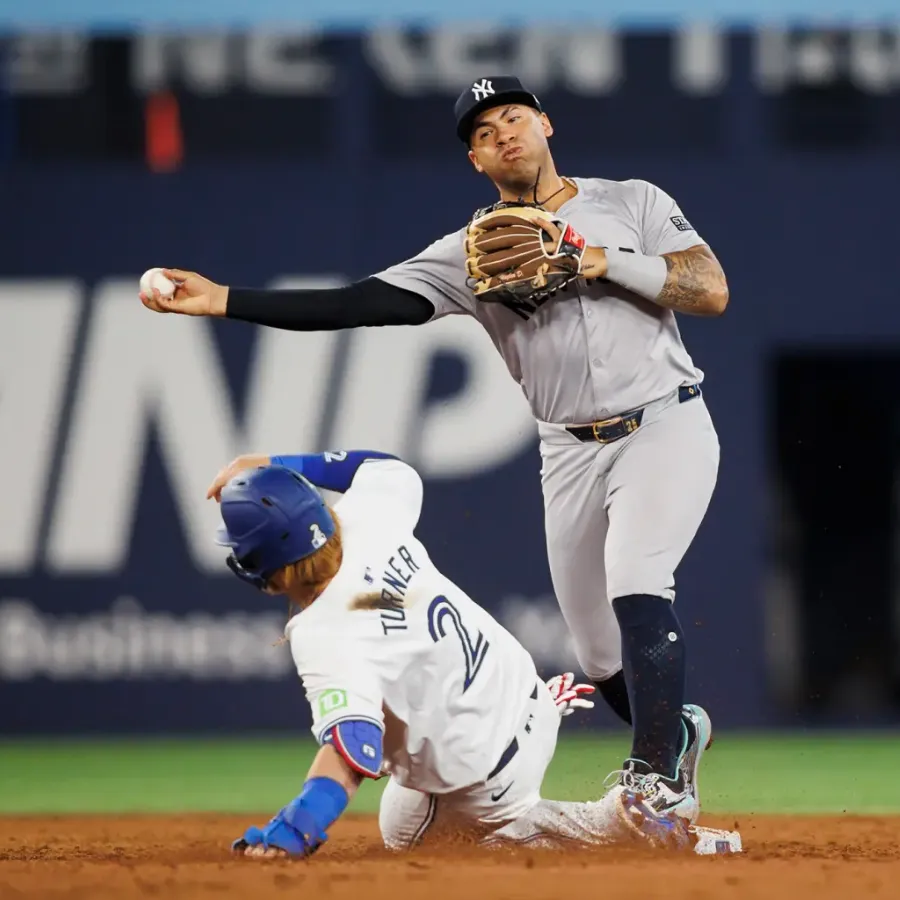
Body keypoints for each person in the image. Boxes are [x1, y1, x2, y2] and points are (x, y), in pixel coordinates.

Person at [141, 73, 728, 822]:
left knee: (637, 582)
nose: (502, 134)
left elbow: (708, 289)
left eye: (513, 117)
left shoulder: (632, 202)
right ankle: (677, 731)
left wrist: (601, 261)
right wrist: (222, 298)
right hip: (569, 449)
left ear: (545, 125)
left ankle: (658, 783)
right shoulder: (469, 252)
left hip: (663, 420)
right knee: (601, 654)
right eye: (483, 133)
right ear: (476, 163)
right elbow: (360, 302)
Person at [209, 450, 738, 856]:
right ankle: (627, 757)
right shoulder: (366, 517)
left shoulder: (323, 631)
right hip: (528, 701)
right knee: (403, 792)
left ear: (260, 571)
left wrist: (296, 829)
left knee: (404, 835)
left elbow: (355, 749)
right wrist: (278, 463)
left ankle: (624, 826)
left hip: (488, 780)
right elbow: (385, 467)